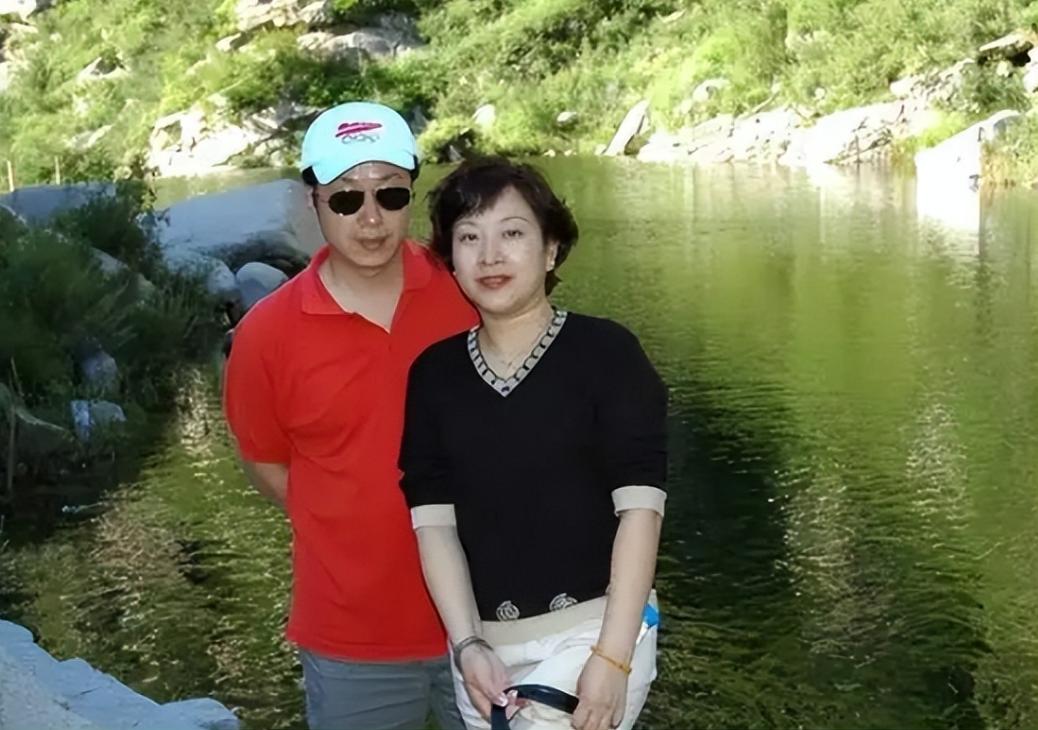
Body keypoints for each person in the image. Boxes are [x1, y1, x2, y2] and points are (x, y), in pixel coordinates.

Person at [222, 101, 477, 730]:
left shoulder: (469, 290)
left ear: (411, 193)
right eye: (345, 198)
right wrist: (342, 521)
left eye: (389, 194)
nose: (370, 218)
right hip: (349, 637)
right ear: (312, 201)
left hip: (491, 617)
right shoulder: (265, 336)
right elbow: (265, 462)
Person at [399, 157, 668, 730]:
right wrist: (467, 643)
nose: (489, 255)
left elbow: (641, 512)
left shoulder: (608, 354)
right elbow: (434, 524)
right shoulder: (434, 375)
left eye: (512, 233)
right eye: (469, 237)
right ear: (451, 259)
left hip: (594, 633)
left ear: (551, 250)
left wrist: (612, 658)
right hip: (483, 655)